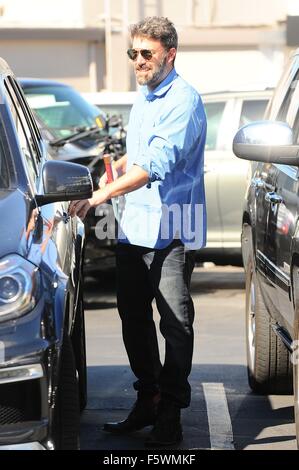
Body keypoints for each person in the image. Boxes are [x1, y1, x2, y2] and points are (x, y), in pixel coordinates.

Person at [69, 16, 207, 447]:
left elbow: (155, 166)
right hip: (135, 227)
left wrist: (99, 195)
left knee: (175, 324)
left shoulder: (183, 101)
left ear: (170, 54)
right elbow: (139, 155)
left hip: (172, 231)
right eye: (134, 53)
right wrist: (113, 169)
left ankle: (171, 409)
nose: (139, 61)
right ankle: (147, 397)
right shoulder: (144, 97)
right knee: (133, 318)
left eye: (147, 53)